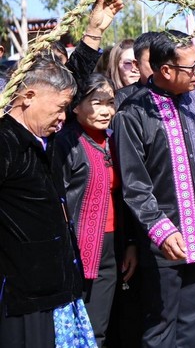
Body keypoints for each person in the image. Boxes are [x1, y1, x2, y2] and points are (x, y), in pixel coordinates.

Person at [0, 0, 122, 347]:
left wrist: (94, 32)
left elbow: (71, 78)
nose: (62, 117)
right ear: (27, 97)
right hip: (24, 298)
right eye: (60, 109)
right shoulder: (6, 142)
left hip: (58, 285)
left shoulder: (46, 139)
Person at [112, 30, 195, 347]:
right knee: (162, 326)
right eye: (192, 67)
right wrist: (161, 231)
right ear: (165, 70)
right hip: (166, 245)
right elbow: (135, 187)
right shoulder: (133, 114)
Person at [55, 74, 137, 347]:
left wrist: (130, 243)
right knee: (89, 326)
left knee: (109, 324)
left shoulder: (115, 140)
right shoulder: (66, 143)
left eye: (110, 102)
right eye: (97, 102)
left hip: (113, 245)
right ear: (76, 106)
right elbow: (58, 200)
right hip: (80, 249)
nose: (106, 110)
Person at [115, 32, 161, 108]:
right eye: (127, 63)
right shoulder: (122, 98)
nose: (159, 67)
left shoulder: (179, 93)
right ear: (136, 64)